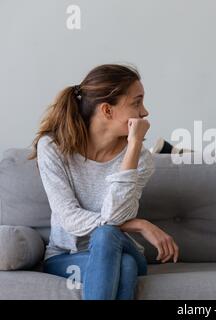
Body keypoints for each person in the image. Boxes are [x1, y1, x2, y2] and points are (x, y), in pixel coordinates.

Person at [28, 64, 179, 300]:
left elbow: (115, 217)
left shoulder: (141, 159)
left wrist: (134, 147)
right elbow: (69, 219)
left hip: (120, 246)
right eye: (136, 102)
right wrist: (138, 225)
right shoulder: (53, 148)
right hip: (65, 256)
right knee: (125, 266)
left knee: (106, 235)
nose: (145, 112)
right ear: (107, 110)